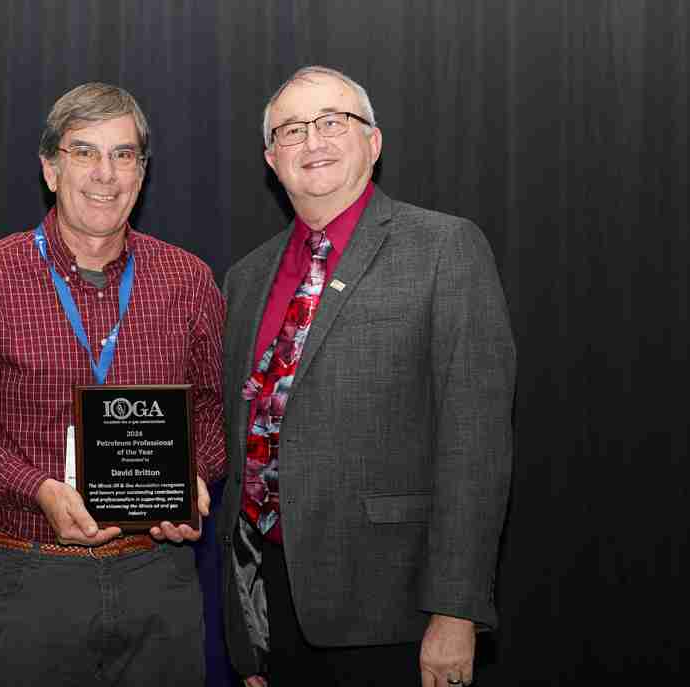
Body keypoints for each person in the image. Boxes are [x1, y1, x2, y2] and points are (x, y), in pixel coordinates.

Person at [0, 82, 225, 686]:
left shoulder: (189, 280)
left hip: (158, 577)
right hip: (30, 578)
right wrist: (35, 488)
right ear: (51, 169)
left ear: (141, 173)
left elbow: (212, 404)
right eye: (84, 152)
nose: (106, 173)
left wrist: (194, 477)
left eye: (123, 154)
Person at [216, 66, 517, 687]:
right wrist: (249, 630)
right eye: (292, 130)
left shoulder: (444, 248)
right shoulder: (246, 279)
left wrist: (456, 611)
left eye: (333, 122)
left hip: (397, 610)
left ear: (373, 142)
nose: (313, 141)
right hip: (275, 604)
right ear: (272, 159)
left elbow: (476, 446)